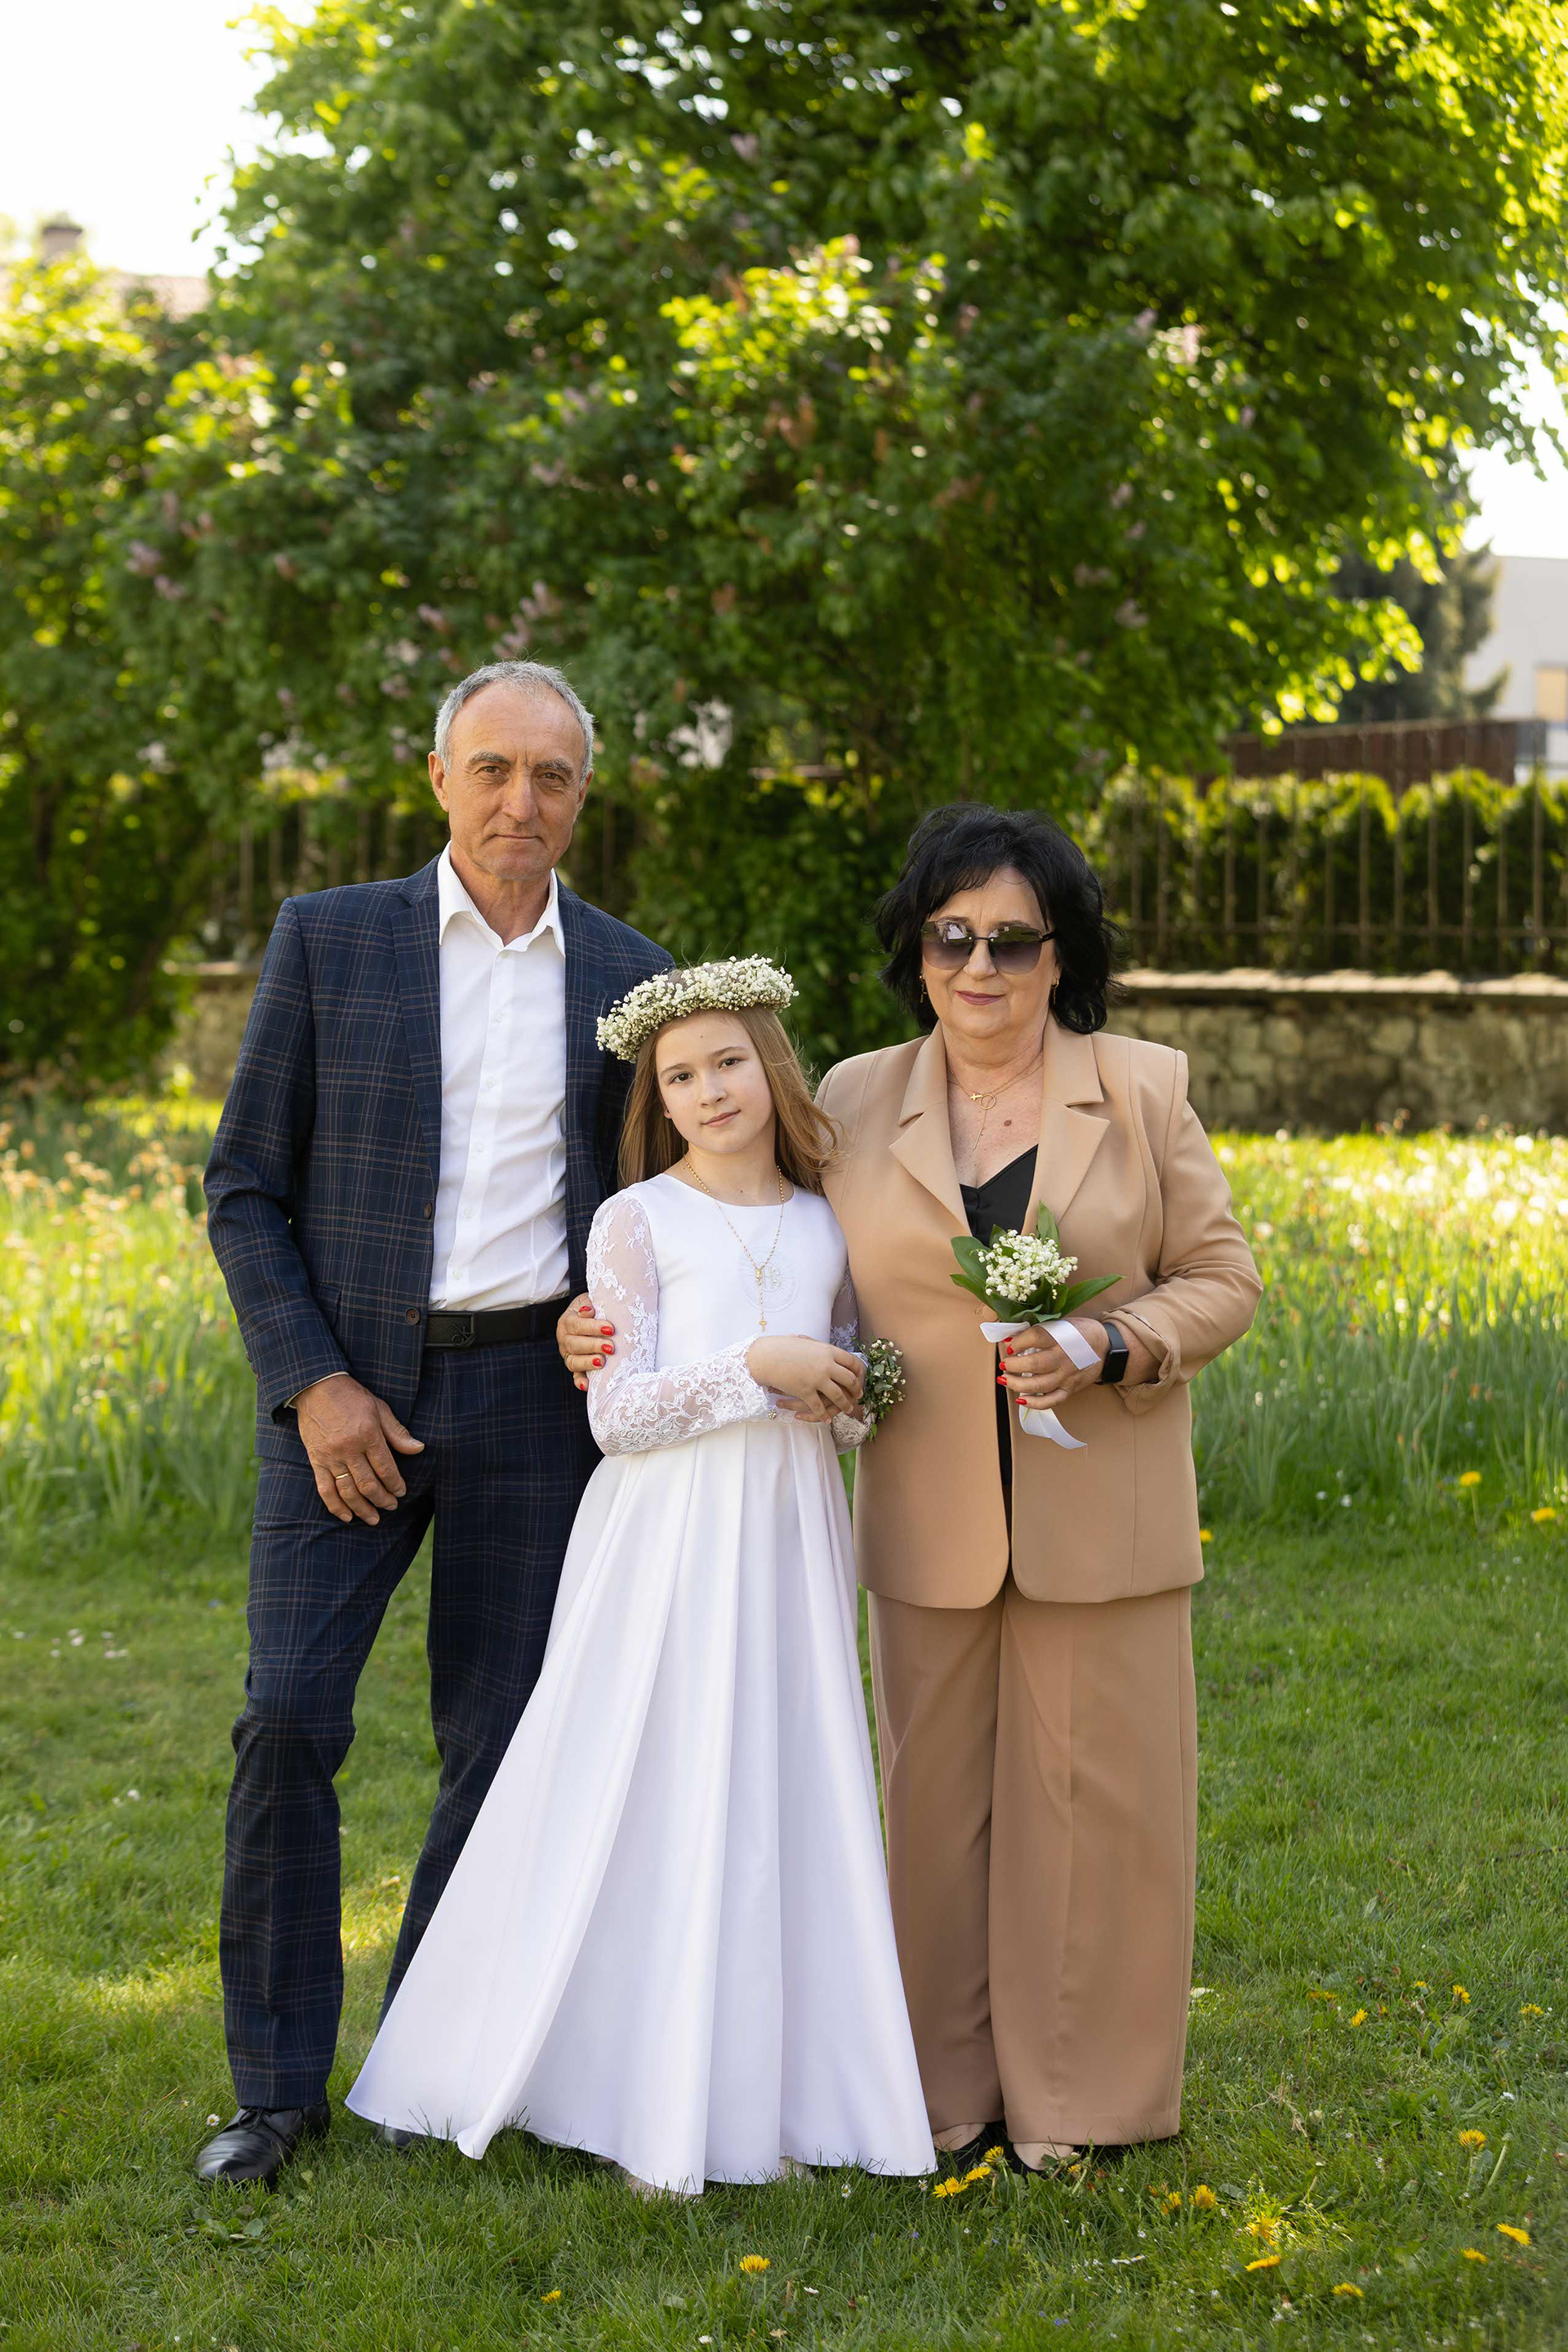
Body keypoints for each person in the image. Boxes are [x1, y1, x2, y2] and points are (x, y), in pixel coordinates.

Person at [559, 802, 1260, 2172]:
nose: (979, 965)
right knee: (932, 1814)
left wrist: (1110, 1345)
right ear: (916, 952)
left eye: (1012, 939)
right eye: (951, 936)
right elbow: (753, 1243)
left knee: (1100, 1809)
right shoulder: (859, 1096)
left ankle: (1082, 2103)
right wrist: (600, 1328)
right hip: (922, 1512)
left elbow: (1223, 1278)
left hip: (1103, 1511)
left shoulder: (1144, 1088)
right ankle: (935, 2092)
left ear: (1062, 955)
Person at [345, 960, 935, 2196]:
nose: (708, 1092)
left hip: (787, 1530)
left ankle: (776, 2085)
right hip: (667, 1533)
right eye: (679, 1077)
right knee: (654, 1767)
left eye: (728, 1063)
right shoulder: (636, 1221)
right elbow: (618, 1414)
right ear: (655, 1101)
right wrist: (758, 1367)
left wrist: (837, 1397)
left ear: (772, 1067)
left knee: (777, 1774)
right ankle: (616, 2078)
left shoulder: (827, 1219)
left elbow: (838, 1398)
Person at [196, 660, 670, 2187]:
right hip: (347, 1396)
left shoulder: (632, 979)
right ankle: (275, 2091)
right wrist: (312, 1381)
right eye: (494, 769)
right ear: (439, 777)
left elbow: (668, 1200)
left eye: (553, 776)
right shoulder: (330, 939)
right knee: (288, 1715)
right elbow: (242, 1187)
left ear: (582, 795)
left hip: (540, 1398)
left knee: (503, 1741)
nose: (522, 801)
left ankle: (429, 2059)